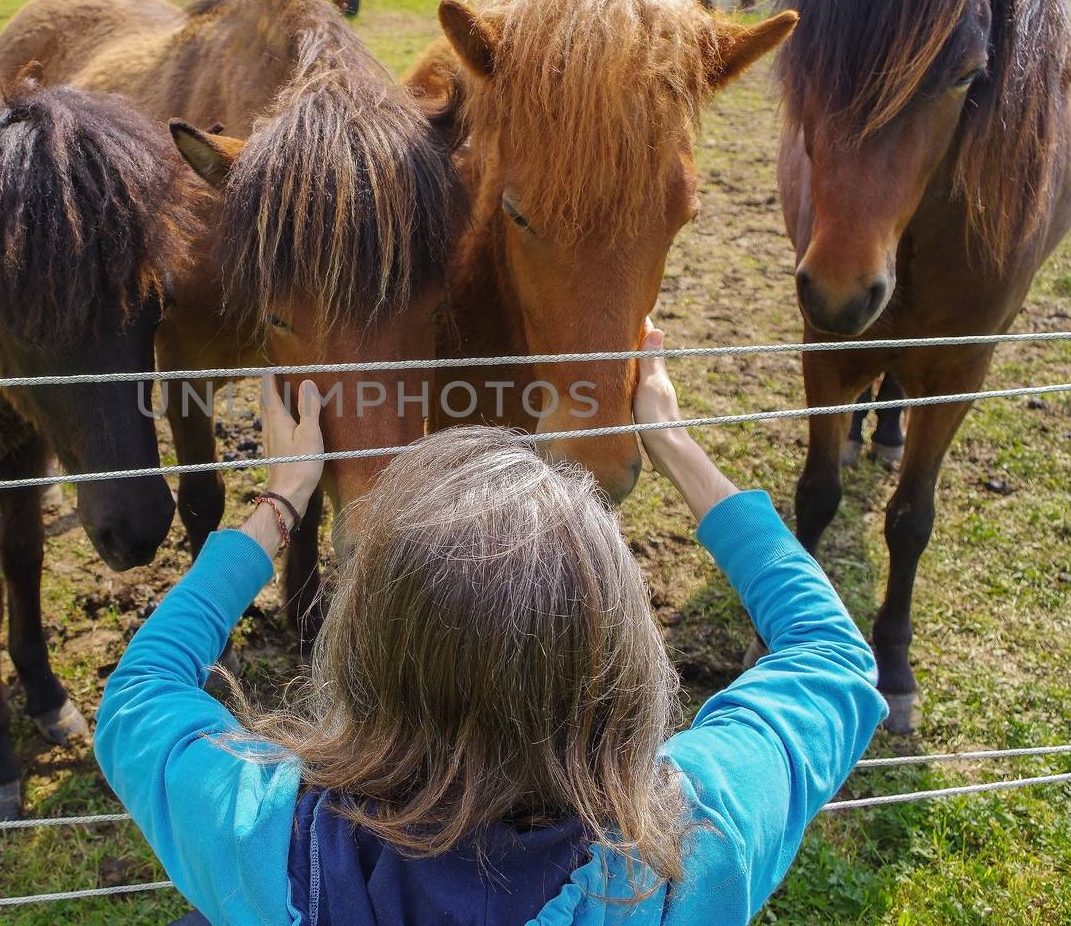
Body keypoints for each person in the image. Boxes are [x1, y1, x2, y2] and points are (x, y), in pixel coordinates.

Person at [95, 330, 887, 924]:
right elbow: (831, 655)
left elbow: (142, 690)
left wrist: (282, 499)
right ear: (620, 654)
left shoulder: (264, 837)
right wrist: (675, 445)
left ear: (363, 644)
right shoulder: (689, 847)